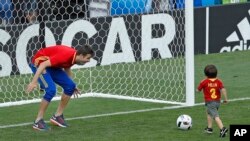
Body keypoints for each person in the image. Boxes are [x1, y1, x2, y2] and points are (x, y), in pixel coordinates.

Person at [26, 44, 94, 131]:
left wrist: (72, 84)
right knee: (51, 90)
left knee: (70, 86)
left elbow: (67, 67)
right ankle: (38, 121)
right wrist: (33, 82)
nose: (88, 61)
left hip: (51, 66)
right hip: (39, 64)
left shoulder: (74, 57)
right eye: (88, 58)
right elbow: (43, 64)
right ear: (81, 55)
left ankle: (57, 116)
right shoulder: (66, 56)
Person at [196, 64, 228, 137]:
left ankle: (222, 129)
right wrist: (225, 99)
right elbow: (223, 89)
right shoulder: (219, 81)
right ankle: (209, 128)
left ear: (205, 74)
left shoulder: (204, 82)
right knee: (209, 113)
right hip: (217, 102)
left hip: (210, 102)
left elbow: (198, 90)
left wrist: (196, 90)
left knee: (215, 116)